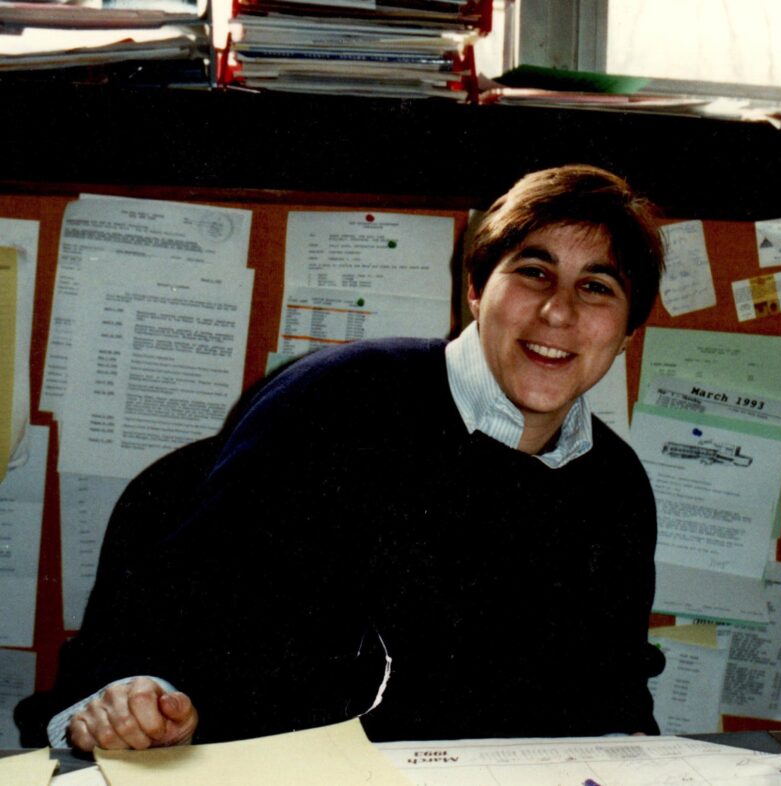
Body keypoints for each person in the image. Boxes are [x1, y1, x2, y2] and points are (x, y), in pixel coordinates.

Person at [16, 163, 667, 751]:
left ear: (627, 330)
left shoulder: (615, 487)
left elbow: (612, 698)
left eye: (598, 288)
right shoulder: (339, 401)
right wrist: (134, 701)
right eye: (534, 272)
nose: (558, 310)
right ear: (475, 288)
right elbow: (175, 614)